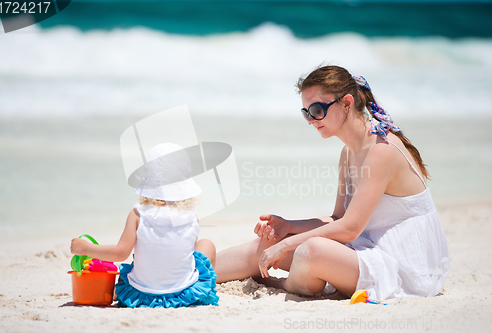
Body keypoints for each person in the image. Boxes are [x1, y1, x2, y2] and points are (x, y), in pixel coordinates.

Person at [215, 65, 449, 301]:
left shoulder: (382, 150)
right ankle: (193, 275)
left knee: (310, 250)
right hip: (367, 250)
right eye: (306, 112)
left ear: (347, 103)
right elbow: (338, 219)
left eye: (317, 109)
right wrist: (288, 226)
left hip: (403, 267)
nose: (311, 120)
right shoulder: (348, 153)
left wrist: (289, 244)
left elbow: (350, 228)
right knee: (269, 242)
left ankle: (286, 284)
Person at [71, 143, 219, 308]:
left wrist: (86, 249)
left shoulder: (138, 214)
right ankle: (204, 289)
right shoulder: (192, 217)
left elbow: (121, 253)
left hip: (142, 295)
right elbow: (182, 254)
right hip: (184, 293)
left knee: (140, 259)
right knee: (206, 245)